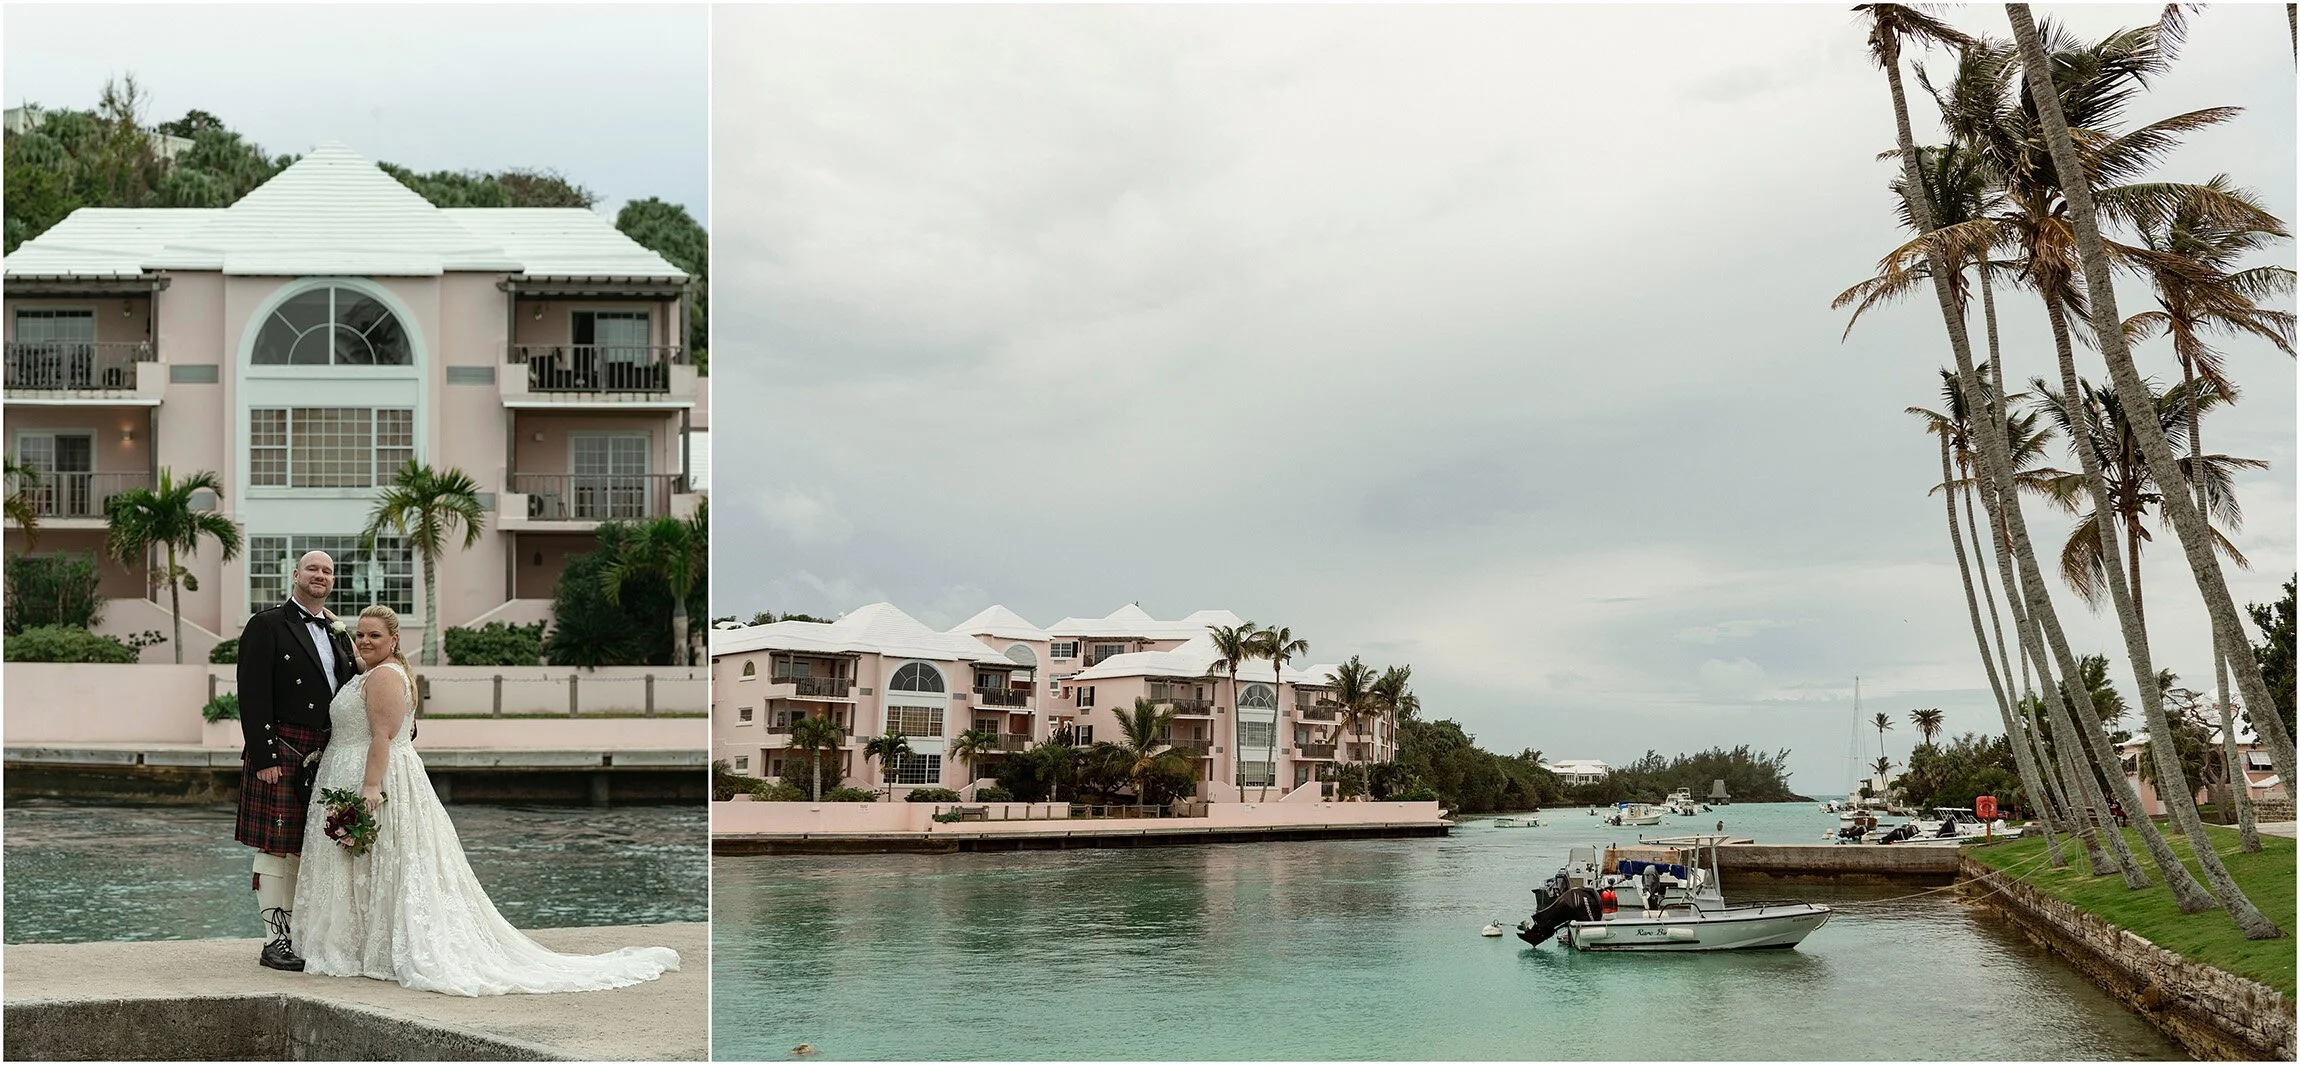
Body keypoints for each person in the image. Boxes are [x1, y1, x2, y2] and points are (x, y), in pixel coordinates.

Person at [293, 605, 678, 995]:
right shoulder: (375, 672)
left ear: (394, 640)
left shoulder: (385, 678)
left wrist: (371, 788)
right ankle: (361, 946)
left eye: (374, 635)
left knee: (387, 862)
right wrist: (338, 633)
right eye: (359, 634)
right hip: (353, 770)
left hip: (376, 779)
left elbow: (383, 737)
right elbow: (359, 668)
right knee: (370, 866)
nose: (364, 641)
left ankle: (378, 948)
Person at [236, 551, 358, 971]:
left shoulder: (339, 632)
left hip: (325, 752)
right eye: (312, 569)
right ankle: (274, 941)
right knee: (276, 843)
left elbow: (353, 689)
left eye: (327, 571)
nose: (320, 575)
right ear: (295, 575)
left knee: (306, 847)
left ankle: (297, 934)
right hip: (283, 748)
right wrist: (264, 755)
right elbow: (251, 693)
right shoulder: (266, 625)